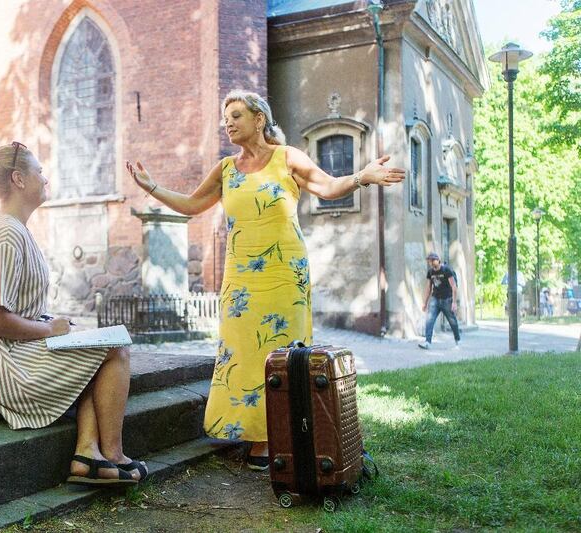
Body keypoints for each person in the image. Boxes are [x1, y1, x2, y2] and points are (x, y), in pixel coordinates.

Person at [126, 90, 404, 470]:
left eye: (236, 115)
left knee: (284, 353)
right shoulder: (225, 169)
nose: (229, 123)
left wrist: (361, 177)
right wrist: (151, 187)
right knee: (243, 354)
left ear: (260, 118)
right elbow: (192, 205)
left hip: (285, 274)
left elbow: (326, 186)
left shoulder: (287, 158)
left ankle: (286, 435)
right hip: (241, 280)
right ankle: (257, 436)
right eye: (226, 118)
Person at [0, 142, 146, 487]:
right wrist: (49, 331)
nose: (45, 178)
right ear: (18, 179)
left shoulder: (15, 229)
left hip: (5, 350)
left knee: (93, 344)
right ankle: (112, 454)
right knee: (114, 349)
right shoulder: (5, 235)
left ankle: (88, 454)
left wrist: (55, 325)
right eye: (39, 171)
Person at [418, 252, 461, 349]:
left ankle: (457, 342)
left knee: (452, 321)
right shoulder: (430, 272)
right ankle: (427, 342)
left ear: (438, 260)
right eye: (429, 261)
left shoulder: (446, 270)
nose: (431, 262)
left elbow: (454, 286)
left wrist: (454, 302)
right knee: (429, 319)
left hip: (447, 299)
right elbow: (428, 288)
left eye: (433, 260)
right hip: (435, 299)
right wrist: (425, 303)